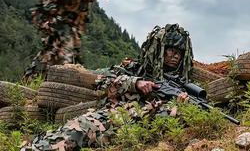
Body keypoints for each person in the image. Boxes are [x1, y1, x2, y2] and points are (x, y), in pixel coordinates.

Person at [24, 24, 194, 150]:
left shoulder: (183, 85)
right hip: (109, 119)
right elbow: (101, 82)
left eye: (179, 51)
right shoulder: (134, 68)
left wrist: (177, 107)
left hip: (136, 132)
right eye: (170, 49)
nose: (176, 55)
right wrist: (134, 83)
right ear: (159, 49)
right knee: (70, 136)